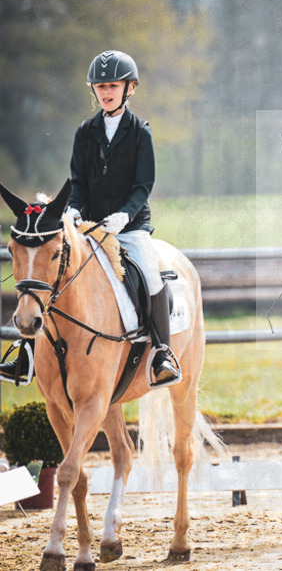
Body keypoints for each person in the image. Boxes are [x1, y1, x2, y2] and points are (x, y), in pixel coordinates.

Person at [2, 50, 181, 388]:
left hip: (130, 227)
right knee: (48, 271)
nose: (106, 92)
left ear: (129, 89)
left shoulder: (141, 131)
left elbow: (144, 185)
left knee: (151, 276)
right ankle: (25, 350)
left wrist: (125, 216)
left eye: (113, 86)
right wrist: (72, 209)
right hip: (85, 226)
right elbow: (78, 181)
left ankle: (161, 352)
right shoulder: (85, 132)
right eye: (100, 87)